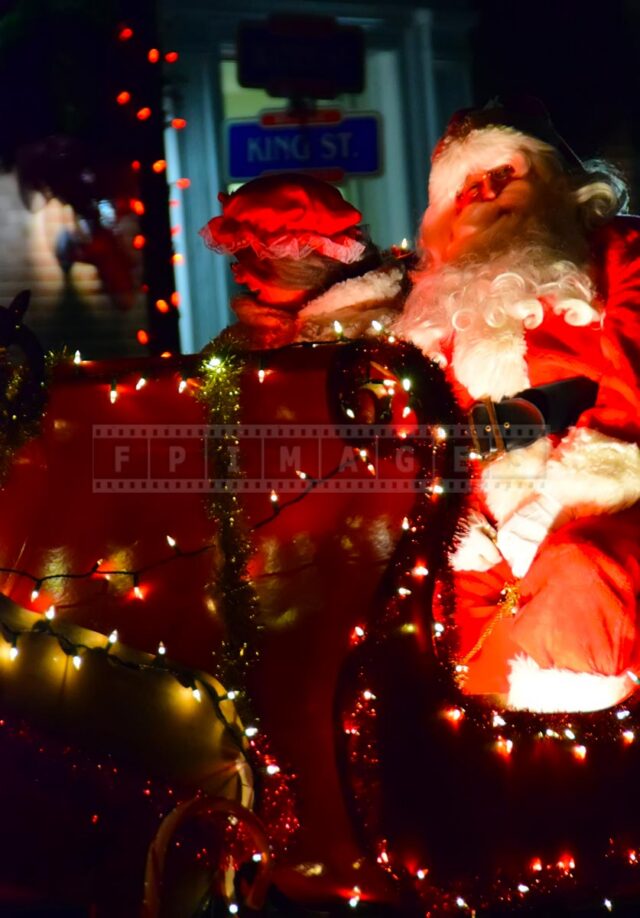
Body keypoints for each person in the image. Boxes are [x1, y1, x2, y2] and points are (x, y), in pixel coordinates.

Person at [393, 98, 640, 712]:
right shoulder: (429, 307)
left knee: (584, 581)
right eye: (467, 187)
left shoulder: (619, 255)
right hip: (481, 539)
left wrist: (567, 499)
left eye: (506, 173)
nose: (486, 192)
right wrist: (443, 517)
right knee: (424, 653)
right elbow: (409, 427)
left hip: (605, 515)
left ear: (554, 178)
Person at [200, 173, 407, 350]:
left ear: (304, 265)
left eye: (255, 265)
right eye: (238, 262)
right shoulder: (240, 341)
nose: (239, 277)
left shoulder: (381, 336)